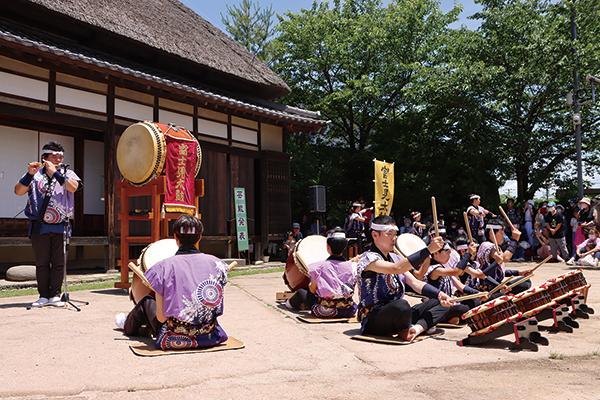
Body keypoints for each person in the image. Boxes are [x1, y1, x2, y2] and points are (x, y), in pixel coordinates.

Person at [118, 215, 229, 350]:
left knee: (147, 301)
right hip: (209, 335)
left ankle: (128, 325)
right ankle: (135, 325)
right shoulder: (217, 264)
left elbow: (161, 318)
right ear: (199, 237)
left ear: (175, 238)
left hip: (174, 337)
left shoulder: (163, 267)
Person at [356, 215, 456, 342]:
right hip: (374, 318)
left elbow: (415, 282)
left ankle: (416, 329)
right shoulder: (367, 258)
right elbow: (396, 268)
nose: (394, 237)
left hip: (399, 314)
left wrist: (439, 294)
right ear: (375, 235)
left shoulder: (395, 257)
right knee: (402, 305)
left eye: (395, 233)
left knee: (440, 302)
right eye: (389, 234)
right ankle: (407, 327)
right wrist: (428, 250)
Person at [14, 141, 80, 308]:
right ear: (44, 157)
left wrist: (55, 173)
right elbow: (18, 191)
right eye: (54, 155)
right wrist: (29, 174)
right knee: (42, 262)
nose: (58, 158)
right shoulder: (35, 174)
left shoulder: (68, 172)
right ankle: (43, 295)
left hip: (61, 224)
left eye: (61, 156)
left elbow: (73, 187)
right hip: (39, 225)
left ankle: (55, 295)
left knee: (59, 262)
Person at [286, 227, 357, 318]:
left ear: (327, 247)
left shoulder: (317, 267)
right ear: (344, 247)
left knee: (302, 292)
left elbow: (312, 289)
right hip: (348, 310)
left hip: (324, 311)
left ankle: (289, 304)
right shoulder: (353, 266)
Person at [475, 219, 534, 295]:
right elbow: (505, 258)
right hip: (489, 289)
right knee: (525, 283)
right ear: (492, 233)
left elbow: (499, 271)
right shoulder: (487, 245)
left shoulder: (492, 246)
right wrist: (514, 240)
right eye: (501, 231)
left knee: (525, 281)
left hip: (497, 286)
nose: (503, 234)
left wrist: (519, 273)